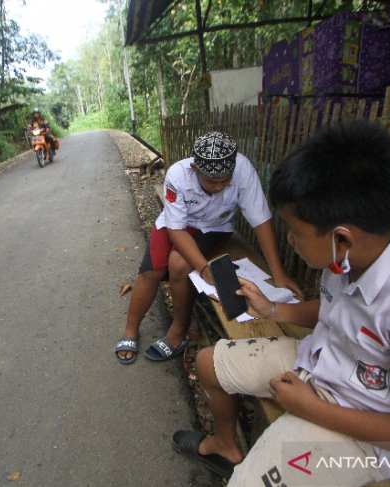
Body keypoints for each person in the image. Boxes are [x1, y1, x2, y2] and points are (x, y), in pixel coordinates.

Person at [171, 121, 390, 485]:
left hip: (362, 425)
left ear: (341, 238)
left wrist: (313, 409)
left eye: (294, 232)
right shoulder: (347, 261)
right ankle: (226, 446)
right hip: (318, 360)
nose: (290, 241)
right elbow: (333, 310)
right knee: (207, 363)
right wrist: (274, 310)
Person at [115, 131, 300, 364]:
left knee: (179, 263)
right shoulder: (178, 175)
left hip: (215, 226)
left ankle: (178, 330)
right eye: (212, 181)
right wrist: (204, 269)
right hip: (177, 223)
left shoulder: (243, 169)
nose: (220, 186)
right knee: (150, 270)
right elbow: (176, 229)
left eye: (226, 180)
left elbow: (260, 220)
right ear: (195, 170)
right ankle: (131, 329)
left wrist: (279, 274)